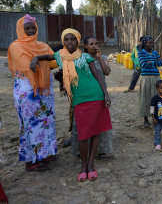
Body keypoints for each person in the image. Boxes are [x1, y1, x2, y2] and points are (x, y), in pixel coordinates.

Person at [30, 28, 112, 182]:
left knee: (95, 132)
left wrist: (106, 94)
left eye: (72, 39)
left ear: (78, 41)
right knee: (83, 135)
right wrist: (35, 58)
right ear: (63, 42)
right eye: (66, 39)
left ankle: (90, 165)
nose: (69, 42)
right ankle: (83, 166)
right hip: (79, 100)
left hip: (96, 96)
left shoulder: (86, 56)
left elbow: (98, 77)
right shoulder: (60, 56)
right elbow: (46, 57)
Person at [7, 14, 57, 172]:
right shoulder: (16, 46)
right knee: (30, 125)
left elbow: (55, 62)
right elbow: (28, 66)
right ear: (20, 29)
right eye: (27, 28)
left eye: (32, 28)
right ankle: (31, 161)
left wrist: (40, 58)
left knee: (47, 121)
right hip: (28, 93)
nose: (30, 30)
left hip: (45, 92)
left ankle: (45, 154)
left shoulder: (42, 45)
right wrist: (43, 60)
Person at [70, 36, 113, 159]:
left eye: (96, 43)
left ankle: (101, 150)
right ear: (85, 46)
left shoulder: (103, 57)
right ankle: (82, 152)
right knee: (84, 124)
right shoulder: (80, 59)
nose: (95, 46)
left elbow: (107, 72)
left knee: (99, 122)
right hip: (85, 96)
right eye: (91, 44)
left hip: (100, 95)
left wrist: (99, 58)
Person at [138, 36, 162, 127]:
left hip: (156, 78)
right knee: (145, 98)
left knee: (156, 98)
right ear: (144, 43)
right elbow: (143, 64)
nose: (152, 44)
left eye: (152, 43)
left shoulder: (155, 53)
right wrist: (154, 62)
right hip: (146, 78)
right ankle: (145, 119)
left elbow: (161, 63)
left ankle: (155, 117)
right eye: (150, 43)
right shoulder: (141, 53)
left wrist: (151, 62)